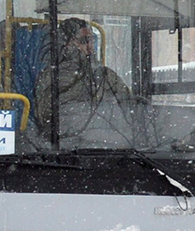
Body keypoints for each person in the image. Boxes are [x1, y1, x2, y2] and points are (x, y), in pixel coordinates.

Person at [34, 17, 134, 147]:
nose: (90, 48)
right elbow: (46, 117)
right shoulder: (52, 76)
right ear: (67, 44)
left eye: (91, 41)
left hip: (107, 145)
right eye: (84, 41)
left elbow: (129, 105)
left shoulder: (105, 75)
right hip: (66, 144)